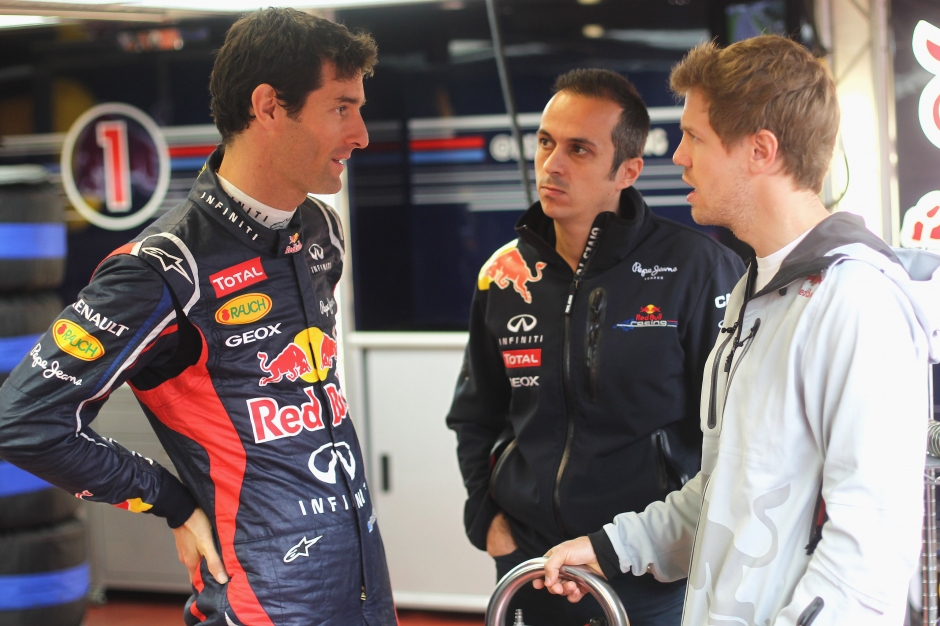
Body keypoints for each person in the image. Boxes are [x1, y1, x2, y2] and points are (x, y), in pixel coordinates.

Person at [0, 9, 395, 626]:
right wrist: (170, 501)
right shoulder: (163, 266)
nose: (361, 134)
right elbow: (24, 420)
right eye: (341, 108)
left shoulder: (320, 230)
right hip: (260, 602)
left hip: (363, 584)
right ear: (268, 107)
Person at [535, 36, 940, 626]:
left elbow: (867, 555)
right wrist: (610, 548)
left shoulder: (855, 300)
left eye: (694, 137)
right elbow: (725, 493)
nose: (679, 156)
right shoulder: (755, 293)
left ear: (760, 150)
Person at [445, 69, 745, 626]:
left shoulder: (697, 269)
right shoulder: (505, 274)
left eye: (579, 150)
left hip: (649, 571)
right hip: (533, 564)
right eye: (546, 142)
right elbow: (475, 415)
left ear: (628, 170)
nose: (552, 164)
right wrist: (488, 520)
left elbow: (734, 434)